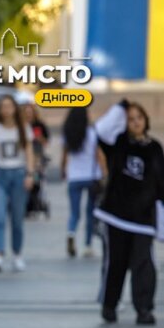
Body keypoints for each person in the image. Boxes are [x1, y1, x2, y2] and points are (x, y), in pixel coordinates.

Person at [93, 100, 164, 325]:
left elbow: (160, 183)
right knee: (116, 262)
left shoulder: (155, 147)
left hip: (143, 219)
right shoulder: (118, 142)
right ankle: (109, 304)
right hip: (116, 216)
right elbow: (101, 130)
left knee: (144, 264)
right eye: (130, 119)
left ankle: (144, 309)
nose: (135, 122)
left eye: (139, 118)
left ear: (145, 120)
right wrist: (120, 108)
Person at [0, 94, 35, 272]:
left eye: (9, 106)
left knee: (17, 219)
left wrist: (30, 174)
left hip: (18, 175)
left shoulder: (23, 128)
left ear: (15, 109)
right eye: (3, 106)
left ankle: (17, 254)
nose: (6, 110)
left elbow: (29, 153)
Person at [61, 106, 105, 258]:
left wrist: (63, 170)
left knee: (74, 212)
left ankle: (71, 233)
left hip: (74, 176)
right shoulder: (92, 133)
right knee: (90, 213)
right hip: (91, 177)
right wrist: (105, 173)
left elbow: (64, 156)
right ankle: (87, 245)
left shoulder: (67, 134)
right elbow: (98, 156)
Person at [22, 103, 51, 218]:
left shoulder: (39, 125)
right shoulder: (21, 126)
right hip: (24, 158)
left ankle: (35, 205)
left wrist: (40, 138)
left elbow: (46, 142)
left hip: (38, 157)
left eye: (30, 112)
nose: (28, 115)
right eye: (26, 113)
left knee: (36, 181)